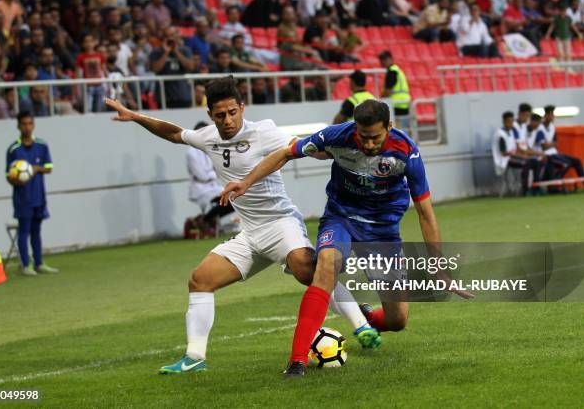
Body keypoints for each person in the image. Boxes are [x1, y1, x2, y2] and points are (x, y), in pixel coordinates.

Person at [105, 76, 381, 374]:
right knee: (201, 280)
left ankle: (362, 325)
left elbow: (302, 148)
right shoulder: (208, 137)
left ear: (242, 107)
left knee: (307, 270)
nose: (227, 120)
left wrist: (341, 153)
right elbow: (174, 133)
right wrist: (135, 117)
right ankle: (194, 357)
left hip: (280, 223)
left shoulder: (264, 132)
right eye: (220, 115)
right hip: (250, 234)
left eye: (233, 112)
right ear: (210, 115)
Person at [220, 99, 473, 377]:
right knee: (326, 266)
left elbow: (426, 212)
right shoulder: (336, 136)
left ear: (390, 126)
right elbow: (285, 153)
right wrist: (246, 181)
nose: (368, 144)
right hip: (341, 219)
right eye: (363, 137)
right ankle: (297, 360)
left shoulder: (406, 153)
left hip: (382, 231)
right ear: (355, 128)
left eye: (375, 137)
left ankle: (365, 317)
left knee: (397, 319)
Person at [5, 111, 59, 276]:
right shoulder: (13, 149)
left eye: (29, 123)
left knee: (37, 230)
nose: (27, 127)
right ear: (18, 126)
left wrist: (36, 169)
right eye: (24, 124)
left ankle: (39, 263)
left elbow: (49, 168)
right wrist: (17, 180)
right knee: (24, 230)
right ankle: (25, 265)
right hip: (23, 198)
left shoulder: (42, 145)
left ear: (33, 125)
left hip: (39, 196)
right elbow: (8, 176)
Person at [492, 111, 543, 194]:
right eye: (509, 122)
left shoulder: (511, 132)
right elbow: (504, 153)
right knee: (526, 163)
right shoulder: (500, 134)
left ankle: (536, 188)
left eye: (512, 121)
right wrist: (520, 156)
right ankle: (525, 190)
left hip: (512, 157)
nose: (511, 124)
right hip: (504, 160)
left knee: (535, 162)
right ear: (504, 122)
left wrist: (522, 154)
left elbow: (516, 148)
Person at [379, 50, 411, 130]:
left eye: (384, 59)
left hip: (396, 104)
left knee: (395, 129)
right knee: (402, 129)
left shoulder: (392, 72)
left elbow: (387, 91)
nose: (382, 62)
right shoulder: (397, 70)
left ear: (390, 59)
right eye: (382, 59)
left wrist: (380, 100)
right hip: (404, 103)